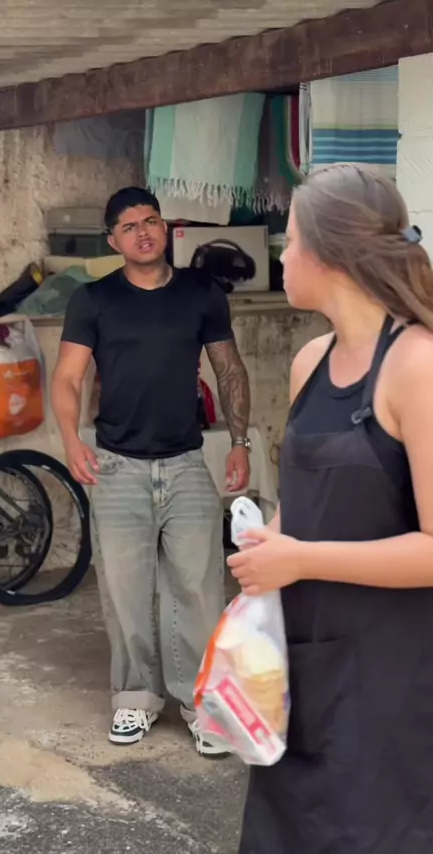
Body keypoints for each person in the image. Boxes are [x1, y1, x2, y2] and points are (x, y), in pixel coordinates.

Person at [228, 164, 433, 853]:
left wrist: (301, 559)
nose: (282, 257)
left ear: (329, 254)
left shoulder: (418, 365)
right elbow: (305, 500)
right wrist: (268, 549)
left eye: (289, 241)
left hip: (393, 679)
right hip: (304, 668)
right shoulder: (310, 361)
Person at [52, 187, 251, 755]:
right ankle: (135, 699)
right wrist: (70, 438)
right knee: (125, 591)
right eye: (130, 226)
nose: (143, 232)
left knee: (200, 590)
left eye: (152, 221)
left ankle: (201, 705)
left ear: (165, 228)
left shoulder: (201, 292)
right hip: (117, 466)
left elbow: (229, 369)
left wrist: (239, 442)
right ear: (113, 240)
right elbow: (67, 377)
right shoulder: (93, 300)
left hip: (186, 461)